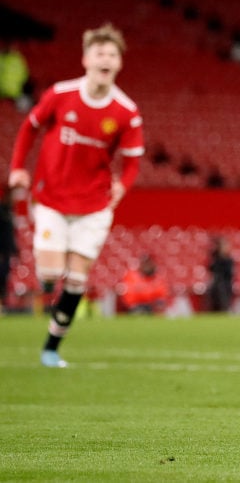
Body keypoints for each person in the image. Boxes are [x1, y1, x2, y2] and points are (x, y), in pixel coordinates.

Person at [7, 24, 144, 367]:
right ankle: (52, 263)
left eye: (112, 54)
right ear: (85, 59)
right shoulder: (60, 94)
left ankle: (51, 347)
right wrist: (17, 167)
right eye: (100, 53)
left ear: (119, 64)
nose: (106, 59)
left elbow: (131, 163)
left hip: (93, 205)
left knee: (78, 277)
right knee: (51, 275)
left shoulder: (126, 111)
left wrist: (121, 187)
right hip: (52, 198)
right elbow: (28, 128)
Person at [208, 236, 235, 312]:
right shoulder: (215, 258)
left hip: (226, 284)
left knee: (225, 304)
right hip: (217, 284)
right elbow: (211, 269)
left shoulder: (229, 259)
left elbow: (230, 273)